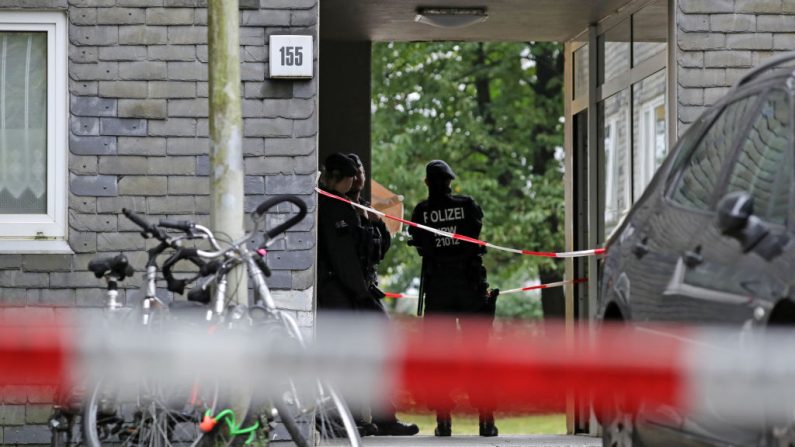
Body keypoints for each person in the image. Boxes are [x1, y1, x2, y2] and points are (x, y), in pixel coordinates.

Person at [408, 160, 499, 437]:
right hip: (470, 289)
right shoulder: (467, 205)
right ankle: (485, 419)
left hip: (439, 292)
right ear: (450, 182)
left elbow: (417, 241)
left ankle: (443, 420)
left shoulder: (422, 212)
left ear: (427, 183)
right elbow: (475, 233)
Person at [345, 153, 419, 436]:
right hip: (350, 292)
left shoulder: (363, 206)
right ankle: (357, 418)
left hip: (367, 288)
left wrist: (374, 222)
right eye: (354, 172)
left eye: (361, 170)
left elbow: (379, 250)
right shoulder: (338, 207)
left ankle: (383, 416)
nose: (359, 177)